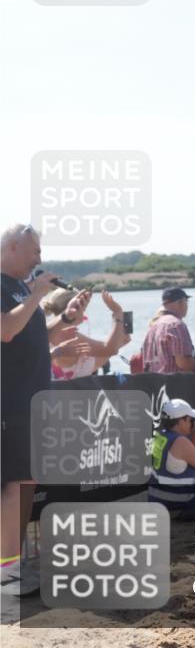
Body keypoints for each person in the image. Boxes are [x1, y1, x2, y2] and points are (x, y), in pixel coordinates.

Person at [0, 224, 61, 596]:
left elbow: (28, 334)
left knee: (25, 483)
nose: (39, 257)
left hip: (31, 402)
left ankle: (12, 565)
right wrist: (38, 294)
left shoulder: (21, 289)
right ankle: (8, 573)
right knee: (16, 485)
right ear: (11, 246)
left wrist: (65, 319)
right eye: (34, 250)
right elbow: (6, 330)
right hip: (12, 403)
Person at [43, 288, 130, 379]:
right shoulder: (70, 336)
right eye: (84, 308)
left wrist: (118, 343)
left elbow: (81, 369)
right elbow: (110, 349)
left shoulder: (48, 332)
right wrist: (117, 313)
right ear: (77, 308)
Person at [141, 288, 195, 373]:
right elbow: (184, 363)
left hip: (154, 384)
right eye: (186, 302)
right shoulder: (176, 325)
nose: (187, 305)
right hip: (175, 384)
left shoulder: (153, 326)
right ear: (180, 302)